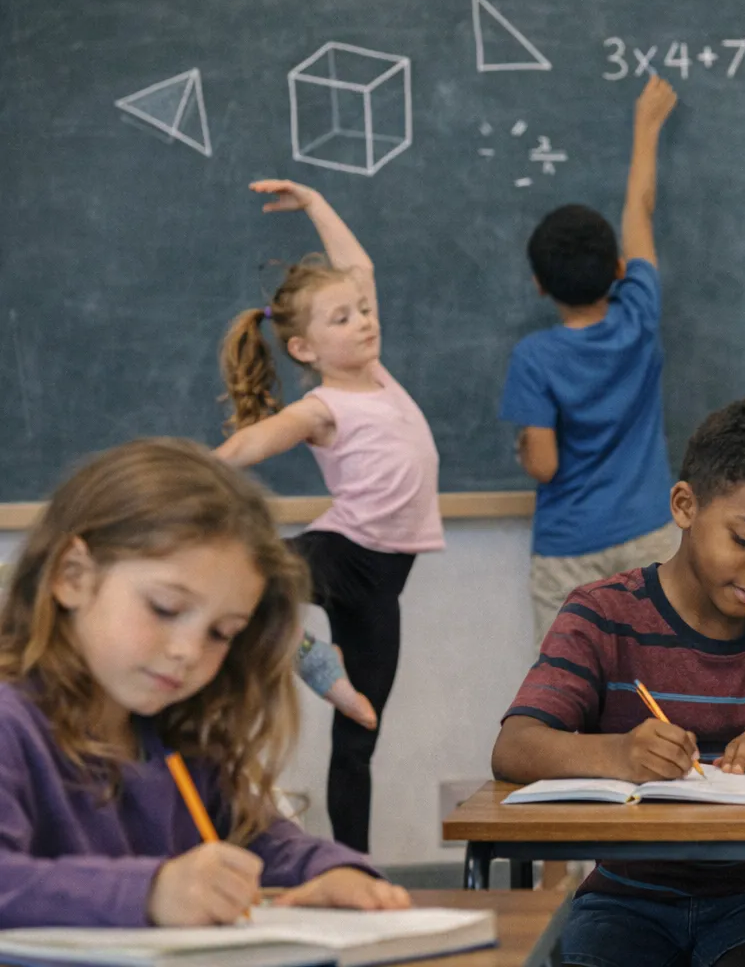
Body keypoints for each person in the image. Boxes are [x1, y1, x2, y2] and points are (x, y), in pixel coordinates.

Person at [492, 397, 745, 967]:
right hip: (623, 899)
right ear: (685, 506)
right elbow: (514, 747)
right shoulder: (603, 616)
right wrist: (619, 753)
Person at [0, 437, 410, 926]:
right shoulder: (11, 725)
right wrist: (150, 893)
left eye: (222, 633)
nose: (189, 652)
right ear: (72, 576)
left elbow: (258, 837)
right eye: (165, 608)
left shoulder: (173, 735)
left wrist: (335, 870)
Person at [215, 179, 443, 852]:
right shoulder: (325, 407)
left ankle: (353, 863)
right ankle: (310, 657)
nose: (364, 322)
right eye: (342, 320)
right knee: (248, 581)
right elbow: (259, 439)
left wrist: (316, 205)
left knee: (361, 732)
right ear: (304, 349)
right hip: (342, 551)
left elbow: (358, 270)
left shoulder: (379, 377)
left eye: (363, 312)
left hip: (383, 582)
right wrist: (206, 467)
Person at [499, 73, 678, 892]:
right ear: (614, 267)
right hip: (648, 535)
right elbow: (639, 212)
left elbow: (541, 463)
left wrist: (519, 453)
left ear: (538, 286)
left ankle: (570, 877)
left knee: (564, 705)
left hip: (570, 552)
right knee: (660, 699)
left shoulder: (536, 356)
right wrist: (646, 127)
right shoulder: (638, 313)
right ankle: (661, 856)